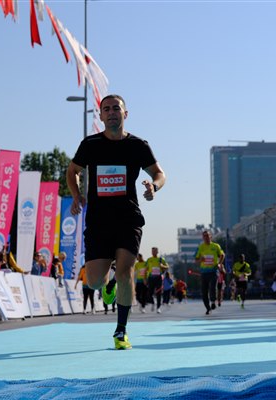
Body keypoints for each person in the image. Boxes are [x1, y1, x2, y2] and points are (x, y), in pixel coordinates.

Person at [66, 94, 166, 350]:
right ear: (101, 116)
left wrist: (154, 187)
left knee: (125, 272)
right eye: (106, 109)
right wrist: (76, 195)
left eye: (116, 108)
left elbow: (159, 173)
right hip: (99, 221)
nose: (111, 112)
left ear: (125, 114)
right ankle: (107, 282)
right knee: (94, 282)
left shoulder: (138, 145)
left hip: (128, 219)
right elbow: (72, 171)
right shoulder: (90, 144)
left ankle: (121, 331)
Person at [194, 230, 225, 315]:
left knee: (212, 286)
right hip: (204, 272)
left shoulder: (216, 246)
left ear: (210, 236)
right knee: (204, 292)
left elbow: (222, 255)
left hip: (213, 271)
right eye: (204, 236)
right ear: (202, 238)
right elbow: (196, 260)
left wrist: (219, 264)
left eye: (207, 235)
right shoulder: (200, 247)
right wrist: (200, 260)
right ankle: (208, 308)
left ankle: (213, 301)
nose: (206, 237)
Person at [145, 247, 169, 313]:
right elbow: (145, 270)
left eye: (155, 251)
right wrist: (145, 278)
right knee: (149, 293)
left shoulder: (161, 259)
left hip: (158, 277)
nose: (153, 252)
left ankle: (158, 308)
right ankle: (153, 302)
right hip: (151, 278)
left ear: (157, 252)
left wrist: (162, 266)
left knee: (159, 293)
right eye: (152, 251)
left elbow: (167, 266)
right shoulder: (149, 259)